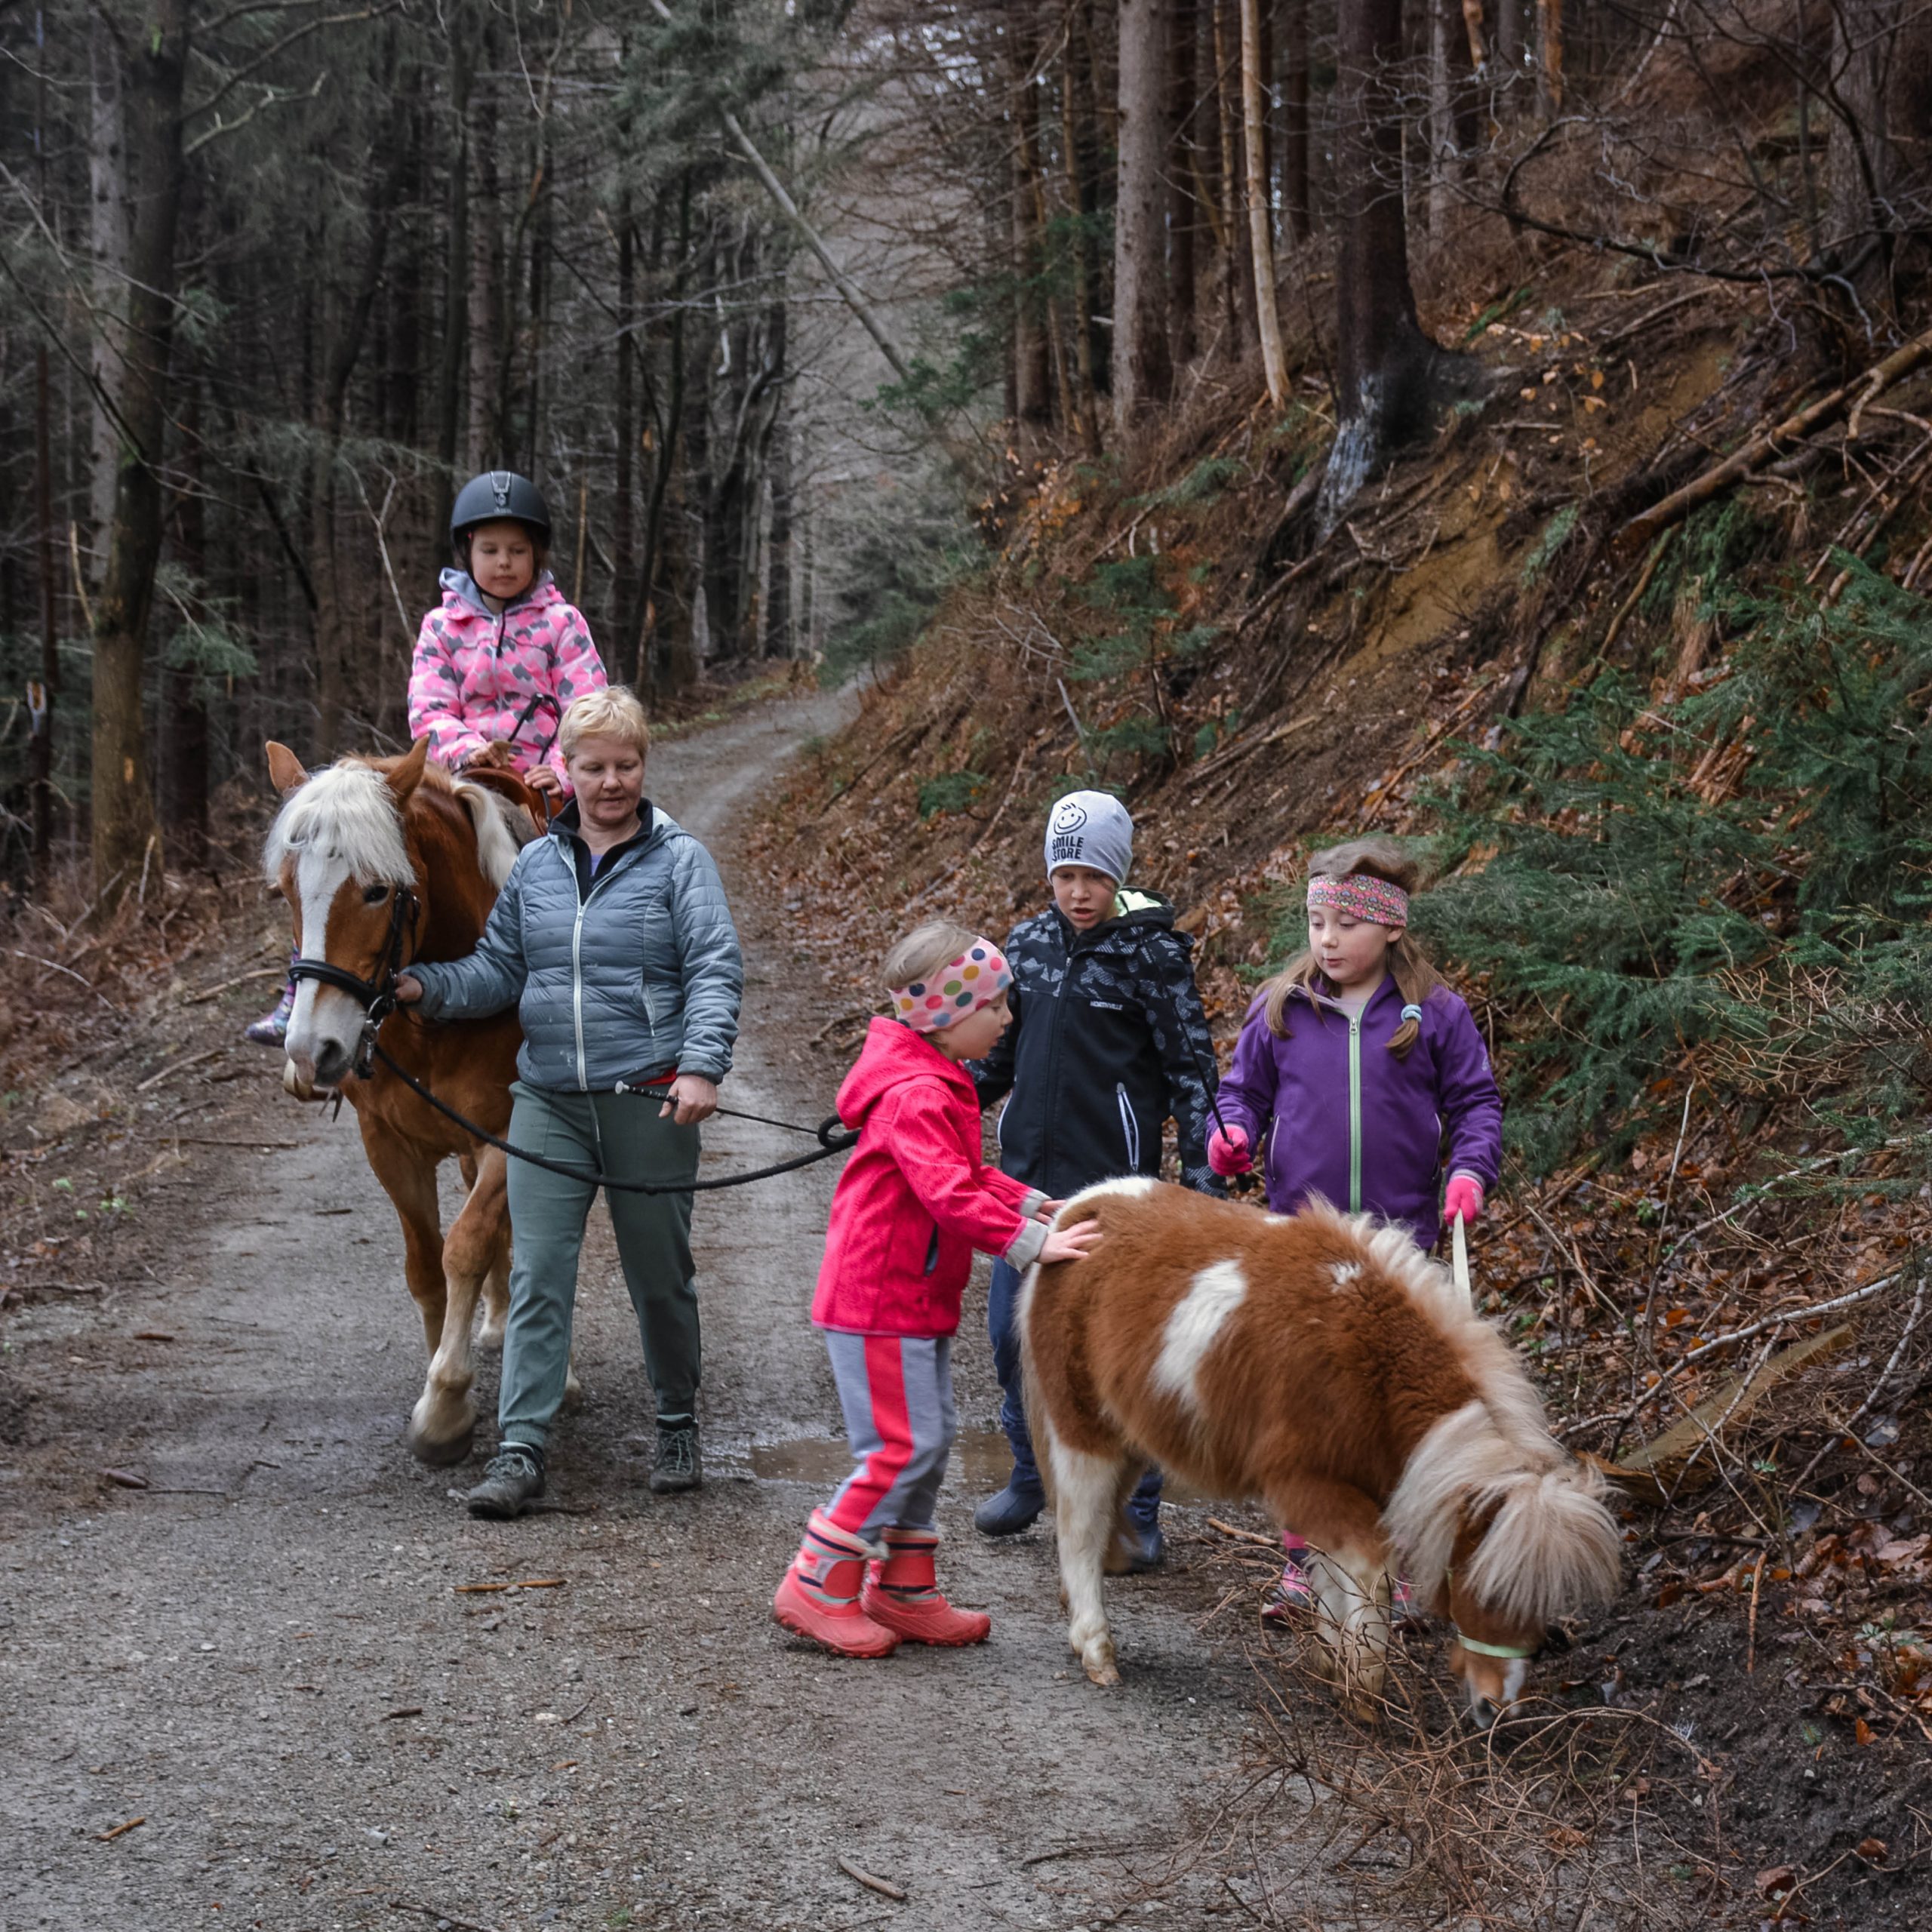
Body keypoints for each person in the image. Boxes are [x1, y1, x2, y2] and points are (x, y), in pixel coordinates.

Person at [392, 685, 742, 1517]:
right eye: (593, 766)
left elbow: (714, 968)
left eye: (626, 764)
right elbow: (498, 972)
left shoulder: (679, 860)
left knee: (660, 1275)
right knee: (541, 1272)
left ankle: (676, 1423)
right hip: (546, 1098)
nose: (611, 780)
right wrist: (421, 985)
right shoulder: (540, 867)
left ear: (643, 766)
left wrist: (699, 1066)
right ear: (568, 771)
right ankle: (520, 1449)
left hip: (648, 1094)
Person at [771, 921, 1103, 1659]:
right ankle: (816, 1582)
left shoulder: (935, 1079)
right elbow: (949, 1195)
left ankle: (903, 1587)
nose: (1008, 1018)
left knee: (929, 1438)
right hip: (877, 1300)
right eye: (997, 1007)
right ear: (951, 1016)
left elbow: (971, 1177)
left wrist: (1026, 1202)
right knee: (899, 1446)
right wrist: (1034, 1246)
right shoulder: (916, 1092)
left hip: (911, 1299)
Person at [1206, 836, 1502, 1618]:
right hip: (1300, 1247)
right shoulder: (1280, 1009)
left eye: (1345, 924)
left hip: (1399, 1244)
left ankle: (1394, 1560)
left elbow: (1475, 1105)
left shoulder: (1432, 1014)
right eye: (1315, 922)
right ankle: (1306, 1562)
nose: (1327, 940)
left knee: (1386, 1407)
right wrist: (1230, 1133)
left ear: (1391, 928)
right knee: (1305, 1406)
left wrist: (1469, 1171)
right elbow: (1240, 1094)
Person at [244, 469, 607, 1046]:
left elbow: (588, 708)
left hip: (542, 781)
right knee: (339, 849)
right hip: (456, 774)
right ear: (468, 552)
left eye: (518, 550)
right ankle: (303, 990)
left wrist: (560, 769)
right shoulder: (441, 625)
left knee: (585, 868)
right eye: (490, 550)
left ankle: (580, 998)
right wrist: (471, 750)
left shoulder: (563, 623)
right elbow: (429, 709)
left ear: (537, 554)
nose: (505, 562)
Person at [968, 790, 1223, 1571]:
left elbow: (1190, 1068)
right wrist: (923, 1094)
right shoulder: (1028, 944)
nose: (1077, 891)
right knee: (1012, 1340)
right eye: (1064, 873)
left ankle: (1130, 1513)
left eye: (1092, 875)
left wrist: (1203, 1173)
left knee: (1116, 1355)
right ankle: (1029, 1472)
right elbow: (997, 1060)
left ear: (1118, 873)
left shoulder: (1152, 954)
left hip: (1115, 1194)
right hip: (1028, 1188)